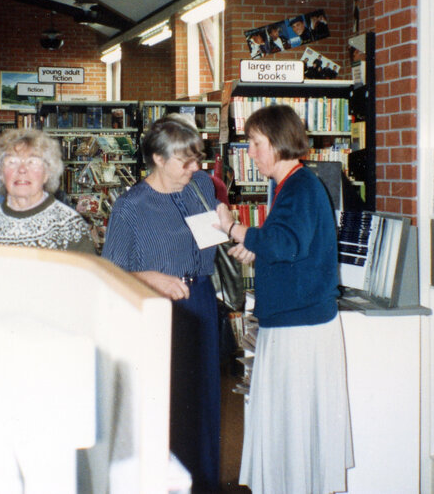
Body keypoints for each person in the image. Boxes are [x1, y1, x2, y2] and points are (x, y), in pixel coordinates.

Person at [215, 104, 353, 494]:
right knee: (292, 429)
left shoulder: (299, 186)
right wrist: (256, 248)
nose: (252, 153)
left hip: (299, 328)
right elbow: (291, 245)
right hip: (295, 323)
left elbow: (286, 243)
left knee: (292, 427)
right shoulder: (290, 185)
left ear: (276, 143)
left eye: (255, 143)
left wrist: (234, 227)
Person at [101, 116, 220, 493]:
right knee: (168, 407)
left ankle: (204, 485)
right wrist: (152, 277)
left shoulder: (200, 186)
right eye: (185, 161)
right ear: (158, 158)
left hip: (200, 302)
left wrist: (226, 218)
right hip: (159, 309)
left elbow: (213, 228)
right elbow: (110, 271)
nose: (195, 168)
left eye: (196, 159)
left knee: (203, 406)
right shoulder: (131, 207)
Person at [0, 128, 94, 253]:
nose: (22, 169)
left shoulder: (71, 227)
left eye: (33, 161)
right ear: (0, 172)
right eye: (12, 161)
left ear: (47, 172)